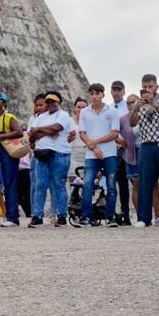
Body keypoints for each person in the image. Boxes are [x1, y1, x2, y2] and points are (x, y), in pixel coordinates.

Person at [129, 74, 159, 228]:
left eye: (150, 86)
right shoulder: (139, 102)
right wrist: (135, 108)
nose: (147, 89)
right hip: (147, 145)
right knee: (145, 182)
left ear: (156, 87)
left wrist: (154, 103)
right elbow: (132, 123)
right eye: (145, 87)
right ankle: (143, 218)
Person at [71, 84, 119, 228]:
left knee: (111, 186)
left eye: (97, 93)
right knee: (87, 185)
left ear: (103, 95)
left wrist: (95, 143)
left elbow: (114, 133)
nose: (94, 96)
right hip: (91, 155)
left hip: (109, 154)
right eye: (91, 93)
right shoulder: (84, 112)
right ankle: (86, 217)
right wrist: (94, 148)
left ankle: (110, 217)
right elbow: (82, 133)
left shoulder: (112, 111)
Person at [28, 92, 73, 227]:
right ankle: (37, 216)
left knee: (59, 185)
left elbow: (57, 128)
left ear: (59, 103)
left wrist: (39, 130)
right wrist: (47, 131)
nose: (50, 104)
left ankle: (62, 216)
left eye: (53, 102)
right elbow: (32, 135)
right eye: (48, 102)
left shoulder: (63, 115)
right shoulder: (41, 117)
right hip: (42, 154)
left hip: (59, 153)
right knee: (40, 186)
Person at [0, 92, 24, 227]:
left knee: (9, 182)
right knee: (1, 184)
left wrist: (0, 137)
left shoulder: (8, 117)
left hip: (7, 151)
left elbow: (19, 132)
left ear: (4, 102)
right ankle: (8, 215)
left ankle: (13, 217)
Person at [109, 80, 132, 225]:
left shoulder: (128, 107)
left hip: (127, 148)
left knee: (127, 183)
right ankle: (114, 213)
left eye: (119, 90)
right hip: (113, 148)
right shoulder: (108, 108)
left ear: (123, 91)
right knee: (114, 182)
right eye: (114, 90)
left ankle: (126, 213)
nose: (116, 92)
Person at [69, 97, 88, 183]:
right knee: (74, 185)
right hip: (73, 156)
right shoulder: (69, 121)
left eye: (84, 107)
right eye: (79, 107)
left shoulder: (91, 122)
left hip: (87, 157)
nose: (81, 110)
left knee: (87, 184)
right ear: (74, 108)